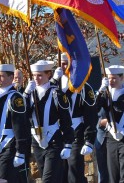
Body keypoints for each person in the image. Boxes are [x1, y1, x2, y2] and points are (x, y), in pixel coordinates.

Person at [24, 60, 74, 183]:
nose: (36, 78)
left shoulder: (56, 93)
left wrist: (68, 143)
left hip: (53, 141)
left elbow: (65, 119)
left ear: (48, 75)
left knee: (48, 179)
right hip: (37, 141)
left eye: (40, 75)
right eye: (34, 75)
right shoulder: (30, 94)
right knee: (47, 176)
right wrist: (25, 94)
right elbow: (22, 115)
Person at [56, 53, 97, 183]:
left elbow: (90, 115)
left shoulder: (83, 87)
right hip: (56, 132)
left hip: (75, 131)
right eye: (61, 64)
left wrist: (89, 140)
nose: (64, 67)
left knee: (74, 168)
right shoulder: (53, 86)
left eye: (66, 63)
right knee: (60, 171)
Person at [97, 65, 124, 183]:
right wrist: (100, 90)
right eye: (109, 78)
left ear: (122, 78)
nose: (111, 81)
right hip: (111, 137)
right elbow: (93, 108)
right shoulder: (106, 94)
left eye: (114, 78)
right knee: (113, 173)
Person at [95, 108, 109, 183]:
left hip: (119, 138)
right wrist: (100, 122)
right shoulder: (96, 96)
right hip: (100, 137)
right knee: (102, 171)